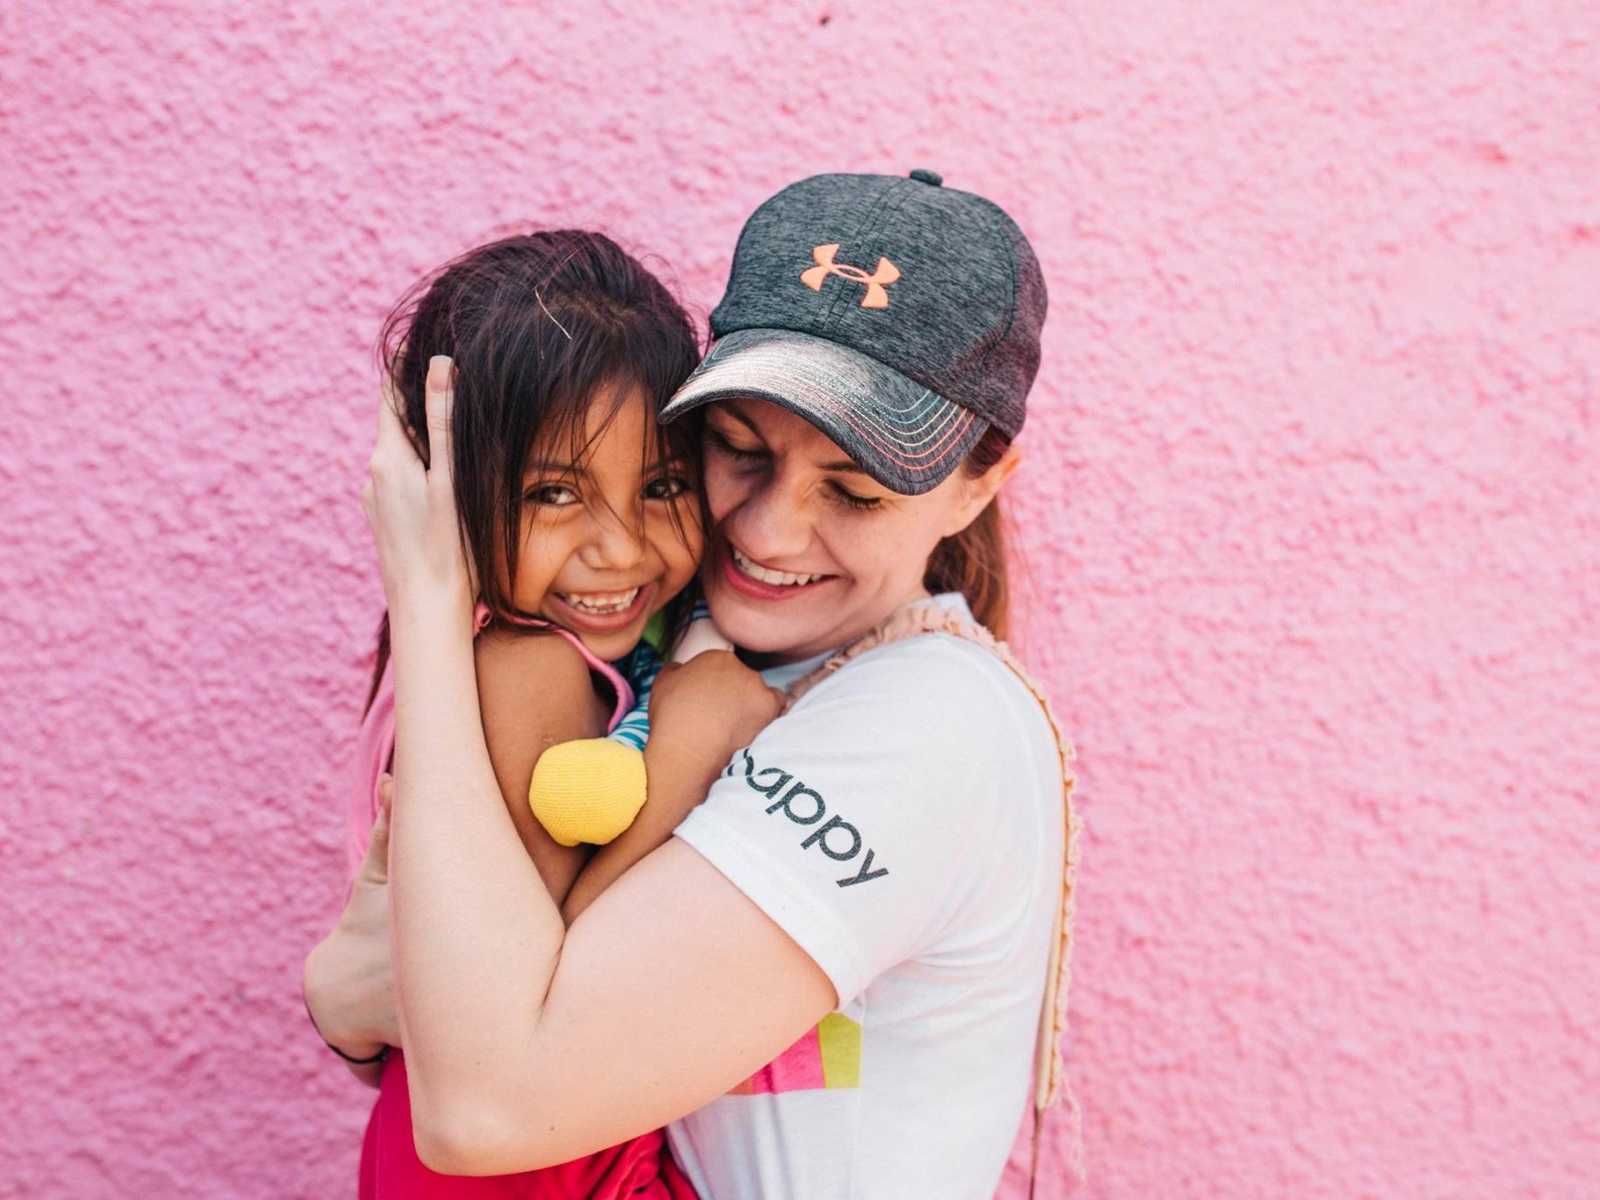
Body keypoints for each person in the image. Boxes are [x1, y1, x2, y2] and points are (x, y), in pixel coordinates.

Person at [347, 170, 1081, 1199]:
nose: (769, 530)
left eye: (855, 492)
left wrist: (428, 599)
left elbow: (486, 1098)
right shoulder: (673, 651)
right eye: (736, 452)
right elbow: (386, 993)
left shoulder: (929, 725)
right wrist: (343, 983)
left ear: (980, 481)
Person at [305, 228, 711, 1198]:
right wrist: (711, 724)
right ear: (443, 494)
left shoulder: (458, 660)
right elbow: (537, 989)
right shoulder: (522, 666)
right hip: (527, 1166)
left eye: (661, 485)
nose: (618, 550)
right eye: (553, 493)